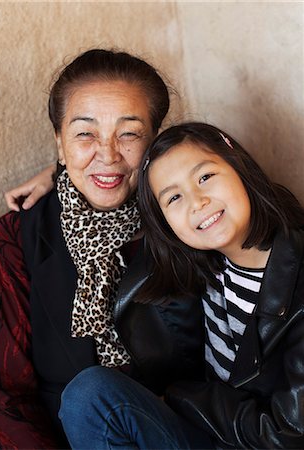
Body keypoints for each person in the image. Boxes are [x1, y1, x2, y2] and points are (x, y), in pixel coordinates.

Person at [0, 50, 212, 449]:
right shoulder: (10, 241)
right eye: (85, 134)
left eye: (129, 133)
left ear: (155, 142)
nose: (107, 154)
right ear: (59, 143)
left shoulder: (190, 218)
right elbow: (7, 399)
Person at [57, 122, 304, 449]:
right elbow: (112, 187)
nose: (197, 201)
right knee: (88, 395)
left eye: (205, 177)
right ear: (165, 224)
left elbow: (290, 432)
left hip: (263, 442)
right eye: (174, 197)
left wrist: (179, 397)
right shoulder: (201, 265)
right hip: (206, 434)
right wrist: (58, 174)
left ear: (239, 167)